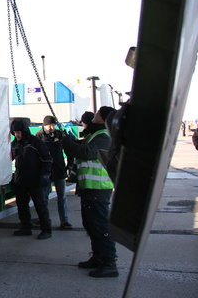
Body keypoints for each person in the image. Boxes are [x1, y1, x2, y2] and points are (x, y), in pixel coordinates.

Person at [61, 105, 118, 278]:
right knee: (91, 224)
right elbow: (80, 145)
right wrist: (67, 138)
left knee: (100, 225)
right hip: (89, 187)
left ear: (104, 118)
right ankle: (98, 257)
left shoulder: (104, 136)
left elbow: (86, 152)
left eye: (98, 114)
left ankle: (109, 263)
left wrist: (66, 141)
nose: (95, 116)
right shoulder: (95, 135)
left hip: (98, 189)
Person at [10, 119, 53, 239]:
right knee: (22, 205)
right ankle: (25, 228)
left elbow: (47, 159)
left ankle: (46, 230)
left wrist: (44, 176)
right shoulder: (15, 144)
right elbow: (9, 158)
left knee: (40, 206)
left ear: (24, 131)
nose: (17, 134)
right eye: (14, 132)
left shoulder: (36, 142)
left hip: (36, 180)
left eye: (19, 132)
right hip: (21, 179)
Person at [36, 116, 72, 229]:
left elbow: (70, 148)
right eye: (49, 125)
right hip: (45, 171)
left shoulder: (60, 134)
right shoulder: (38, 136)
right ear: (44, 125)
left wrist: (70, 165)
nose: (51, 127)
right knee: (44, 196)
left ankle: (64, 221)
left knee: (62, 196)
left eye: (53, 125)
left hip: (59, 169)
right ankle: (44, 221)